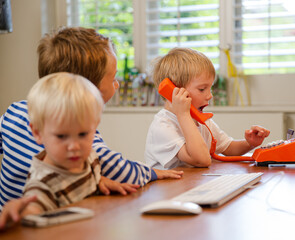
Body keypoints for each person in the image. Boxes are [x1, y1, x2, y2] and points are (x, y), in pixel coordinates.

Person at [0, 27, 183, 211]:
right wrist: (152, 172)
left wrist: (97, 180)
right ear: (86, 89)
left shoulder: (14, 112)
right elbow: (123, 171)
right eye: (113, 79)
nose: (117, 84)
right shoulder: (81, 139)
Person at [0, 72, 140, 229]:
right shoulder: (44, 183)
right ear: (38, 133)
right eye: (61, 136)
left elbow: (85, 180)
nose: (74, 146)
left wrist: (100, 181)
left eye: (83, 134)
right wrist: (21, 214)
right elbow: (34, 211)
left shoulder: (88, 157)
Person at [145, 47, 270, 170]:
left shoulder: (200, 120)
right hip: (169, 190)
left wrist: (249, 143)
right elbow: (201, 160)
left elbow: (229, 148)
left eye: (210, 88)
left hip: (192, 185)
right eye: (202, 89)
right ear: (173, 92)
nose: (210, 96)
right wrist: (183, 114)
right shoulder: (163, 126)